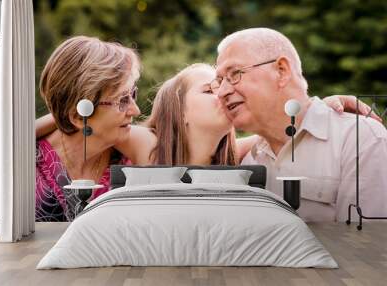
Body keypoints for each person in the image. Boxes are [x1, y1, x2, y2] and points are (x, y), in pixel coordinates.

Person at [36, 64, 374, 168]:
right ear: (179, 112)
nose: (225, 93)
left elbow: (280, 130)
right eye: (210, 91)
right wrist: (62, 113)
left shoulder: (232, 156)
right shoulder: (145, 143)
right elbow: (95, 117)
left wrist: (320, 106)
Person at [214, 27, 387, 222]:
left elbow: (364, 246)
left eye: (235, 73)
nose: (222, 92)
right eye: (219, 81)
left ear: (281, 71)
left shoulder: (358, 139)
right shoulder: (249, 161)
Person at [36, 36, 141, 222]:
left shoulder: (132, 159)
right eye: (123, 100)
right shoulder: (25, 167)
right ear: (77, 116)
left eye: (133, 94)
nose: (136, 110)